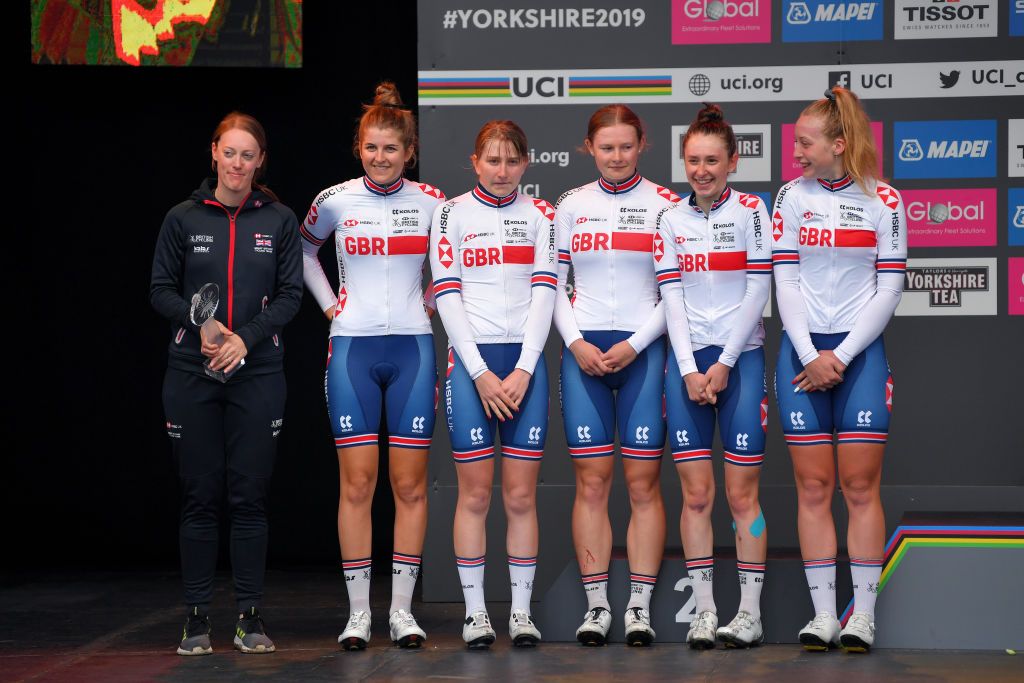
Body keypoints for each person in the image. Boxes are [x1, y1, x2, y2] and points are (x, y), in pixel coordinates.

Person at [151, 112, 303, 655]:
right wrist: (204, 324)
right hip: (192, 374)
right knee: (198, 497)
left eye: (248, 155)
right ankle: (195, 619)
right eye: (229, 152)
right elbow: (160, 289)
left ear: (260, 161)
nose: (238, 164)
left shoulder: (279, 220)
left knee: (248, 498)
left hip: (257, 375)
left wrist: (247, 339)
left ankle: (249, 616)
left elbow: (290, 295)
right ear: (213, 152)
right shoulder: (182, 218)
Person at [300, 82, 445, 650]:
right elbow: (307, 253)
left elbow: (448, 268)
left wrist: (429, 303)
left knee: (409, 487)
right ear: (358, 147)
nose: (380, 158)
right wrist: (332, 306)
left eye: (391, 149)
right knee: (357, 485)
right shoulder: (333, 200)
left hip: (411, 347)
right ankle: (359, 613)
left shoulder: (434, 202)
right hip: (353, 350)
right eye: (370, 148)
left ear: (408, 152)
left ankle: (402, 612)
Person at [773, 86, 906, 653]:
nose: (796, 151)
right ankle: (824, 614)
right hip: (803, 355)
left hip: (858, 357)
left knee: (857, 486)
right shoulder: (789, 198)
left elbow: (890, 286)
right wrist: (810, 355)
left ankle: (863, 617)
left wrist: (842, 357)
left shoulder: (885, 201)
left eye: (805, 142)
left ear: (839, 144)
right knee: (812, 485)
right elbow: (786, 281)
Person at [554, 104, 682, 647]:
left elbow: (675, 292)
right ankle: (597, 606)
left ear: (642, 145)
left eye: (626, 146)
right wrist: (576, 340)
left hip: (643, 354)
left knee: (642, 485)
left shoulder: (666, 205)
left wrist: (634, 344)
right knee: (592, 483)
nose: (616, 156)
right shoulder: (569, 205)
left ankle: (639, 607)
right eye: (606, 147)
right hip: (583, 355)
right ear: (590, 148)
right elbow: (551, 285)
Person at [429, 120, 556, 649]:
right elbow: (446, 295)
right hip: (472, 368)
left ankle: (521, 613)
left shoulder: (542, 215)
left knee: (521, 497)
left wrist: (524, 369)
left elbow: (547, 292)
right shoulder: (451, 214)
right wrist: (480, 373)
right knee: (475, 495)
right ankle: (477, 613)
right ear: (475, 162)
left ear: (526, 163)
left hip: (525, 368)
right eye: (492, 161)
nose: (502, 172)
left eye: (512, 161)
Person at [656, 104, 772, 649]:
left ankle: (748, 613)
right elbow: (671, 298)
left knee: (741, 495)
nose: (702, 170)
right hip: (688, 367)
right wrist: (688, 368)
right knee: (696, 496)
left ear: (733, 161)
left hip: (739, 361)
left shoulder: (753, 210)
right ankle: (705, 611)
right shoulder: (669, 219)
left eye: (712, 160)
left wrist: (723, 362)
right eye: (693, 160)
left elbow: (758, 291)